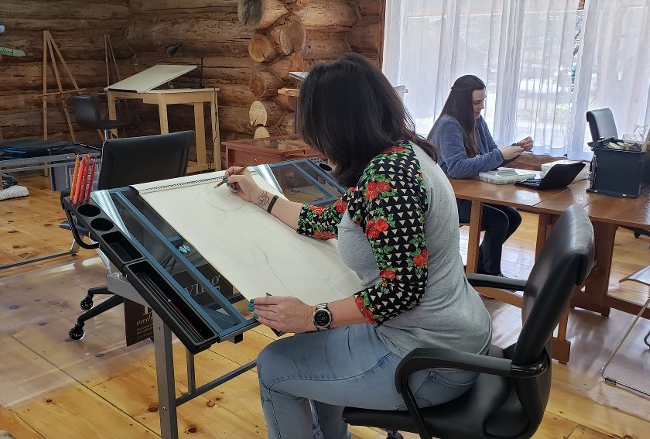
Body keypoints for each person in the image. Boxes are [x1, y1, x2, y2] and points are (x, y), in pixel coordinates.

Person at [223, 53, 492, 439]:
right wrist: (260, 196)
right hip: (446, 337)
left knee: (274, 367)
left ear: (337, 125)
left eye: (315, 131)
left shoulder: (388, 179)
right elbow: (328, 220)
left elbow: (401, 290)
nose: (314, 143)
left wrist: (312, 315)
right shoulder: (399, 154)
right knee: (313, 344)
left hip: (428, 360)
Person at [427, 75, 533, 276]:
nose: (481, 107)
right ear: (462, 102)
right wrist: (500, 154)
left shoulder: (477, 122)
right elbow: (457, 168)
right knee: (499, 220)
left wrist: (515, 149)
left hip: (467, 195)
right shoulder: (449, 125)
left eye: (482, 101)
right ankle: (490, 275)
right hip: (448, 199)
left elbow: (492, 156)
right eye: (477, 102)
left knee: (513, 217)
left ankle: (480, 269)